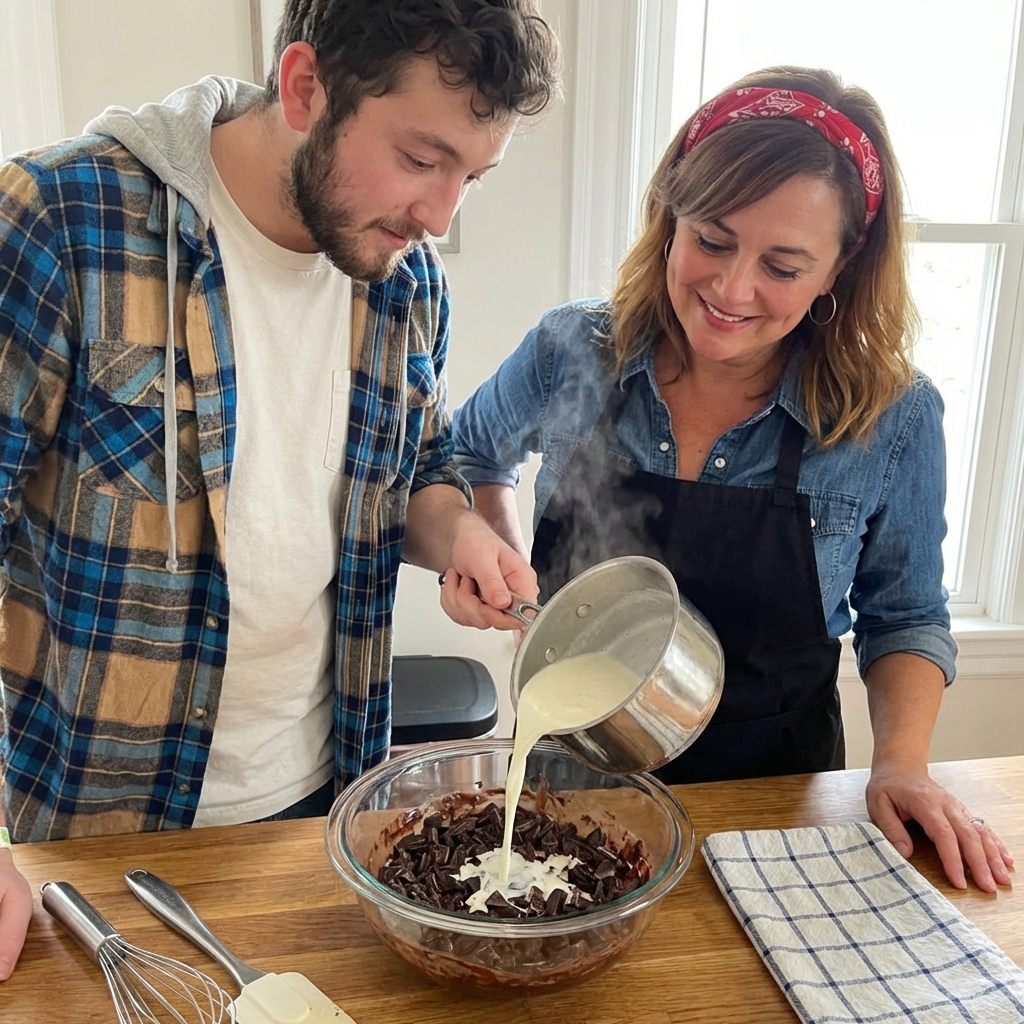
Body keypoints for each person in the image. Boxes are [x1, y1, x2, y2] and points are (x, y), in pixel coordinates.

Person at [0, 0, 556, 979]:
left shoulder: (407, 280)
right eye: (421, 159)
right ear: (305, 87)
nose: (439, 216)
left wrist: (460, 534)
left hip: (326, 808)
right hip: (99, 834)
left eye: (472, 176)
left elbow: (414, 468)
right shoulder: (62, 223)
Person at [451, 66, 1014, 894]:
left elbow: (904, 616)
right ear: (669, 216)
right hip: (571, 785)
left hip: (775, 803)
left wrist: (902, 763)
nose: (731, 289)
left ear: (841, 267)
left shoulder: (891, 416)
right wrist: (496, 555)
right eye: (712, 241)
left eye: (783, 266)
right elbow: (469, 455)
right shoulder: (572, 350)